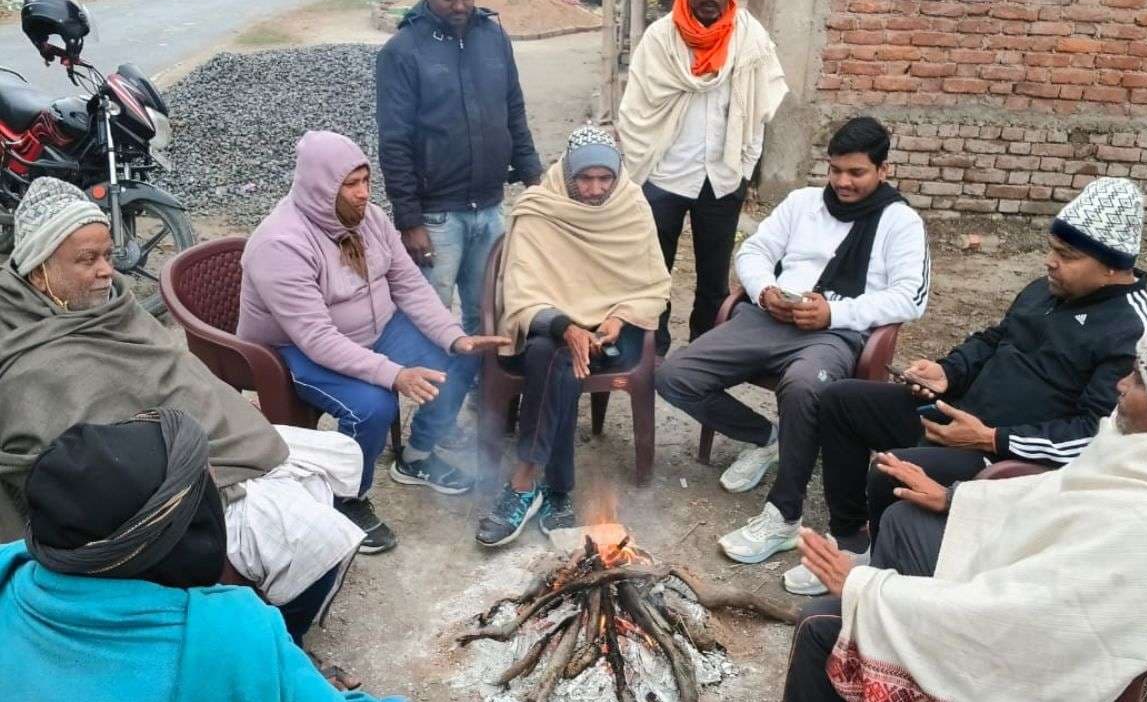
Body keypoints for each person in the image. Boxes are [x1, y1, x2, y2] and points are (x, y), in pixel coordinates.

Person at [0, 177, 363, 646]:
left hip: (197, 439)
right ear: (38, 269)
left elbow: (176, 377)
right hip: (136, 499)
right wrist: (186, 472)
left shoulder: (110, 308)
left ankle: (268, 631)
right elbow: (71, 469)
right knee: (318, 538)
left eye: (108, 255)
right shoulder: (25, 356)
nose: (106, 271)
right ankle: (271, 643)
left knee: (336, 456)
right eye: (86, 260)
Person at [785, 176, 1147, 596]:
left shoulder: (1136, 331)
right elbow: (995, 339)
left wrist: (992, 438)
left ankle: (883, 578)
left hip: (1007, 458)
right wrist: (950, 372)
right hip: (961, 417)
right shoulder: (1047, 290)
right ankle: (852, 541)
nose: (1050, 262)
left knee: (889, 471)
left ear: (1112, 264)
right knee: (841, 401)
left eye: (1067, 255)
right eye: (1052, 249)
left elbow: (1093, 437)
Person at [785, 322, 1147, 702]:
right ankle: (882, 638)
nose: (1121, 386)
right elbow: (1055, 492)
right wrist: (954, 498)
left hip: (1030, 661)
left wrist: (868, 590)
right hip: (1031, 584)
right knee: (905, 520)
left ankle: (883, 651)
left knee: (821, 625)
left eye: (1142, 381)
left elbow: (1020, 616)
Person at [655, 117, 929, 566]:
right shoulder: (803, 203)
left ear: (884, 170)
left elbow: (909, 298)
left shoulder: (900, 222)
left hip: (835, 333)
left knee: (803, 387)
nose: (842, 181)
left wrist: (833, 312)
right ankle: (767, 438)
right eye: (835, 170)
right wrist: (765, 291)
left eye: (856, 172)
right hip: (770, 317)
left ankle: (783, 516)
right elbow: (753, 251)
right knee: (672, 375)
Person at [0, 409, 404, 702]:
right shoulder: (230, 633)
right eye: (203, 486)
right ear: (170, 536)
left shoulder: (12, 565)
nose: (216, 482)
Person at [239, 131, 509, 553]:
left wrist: (453, 337)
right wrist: (394, 373)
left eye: (366, 181)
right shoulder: (281, 244)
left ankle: (416, 456)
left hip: (377, 326)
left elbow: (408, 285)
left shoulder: (371, 219)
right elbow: (316, 337)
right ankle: (347, 498)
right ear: (320, 186)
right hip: (293, 350)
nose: (364, 194)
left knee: (460, 359)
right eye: (351, 185)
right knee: (372, 405)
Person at [474, 125, 671, 547]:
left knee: (555, 358)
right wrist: (567, 326)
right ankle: (554, 488)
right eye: (585, 178)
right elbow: (522, 291)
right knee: (553, 350)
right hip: (547, 326)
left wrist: (616, 319)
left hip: (612, 333)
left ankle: (524, 485)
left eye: (605, 179)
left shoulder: (631, 205)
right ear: (567, 174)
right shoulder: (539, 207)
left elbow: (652, 284)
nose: (596, 189)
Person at [618, 0, 788, 356]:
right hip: (665, 174)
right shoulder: (660, 39)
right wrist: (644, 169)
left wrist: (744, 169)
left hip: (723, 176)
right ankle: (650, 353)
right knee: (653, 272)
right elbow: (634, 110)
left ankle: (702, 355)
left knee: (714, 279)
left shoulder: (749, 39)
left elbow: (760, 108)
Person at [377, 0, 541, 339]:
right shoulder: (402, 51)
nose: (461, 5)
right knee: (430, 320)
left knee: (487, 314)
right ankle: (435, 402)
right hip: (437, 216)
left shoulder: (493, 37)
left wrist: (534, 178)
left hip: (489, 208)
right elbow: (394, 142)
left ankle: (484, 400)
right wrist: (409, 220)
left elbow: (513, 111)